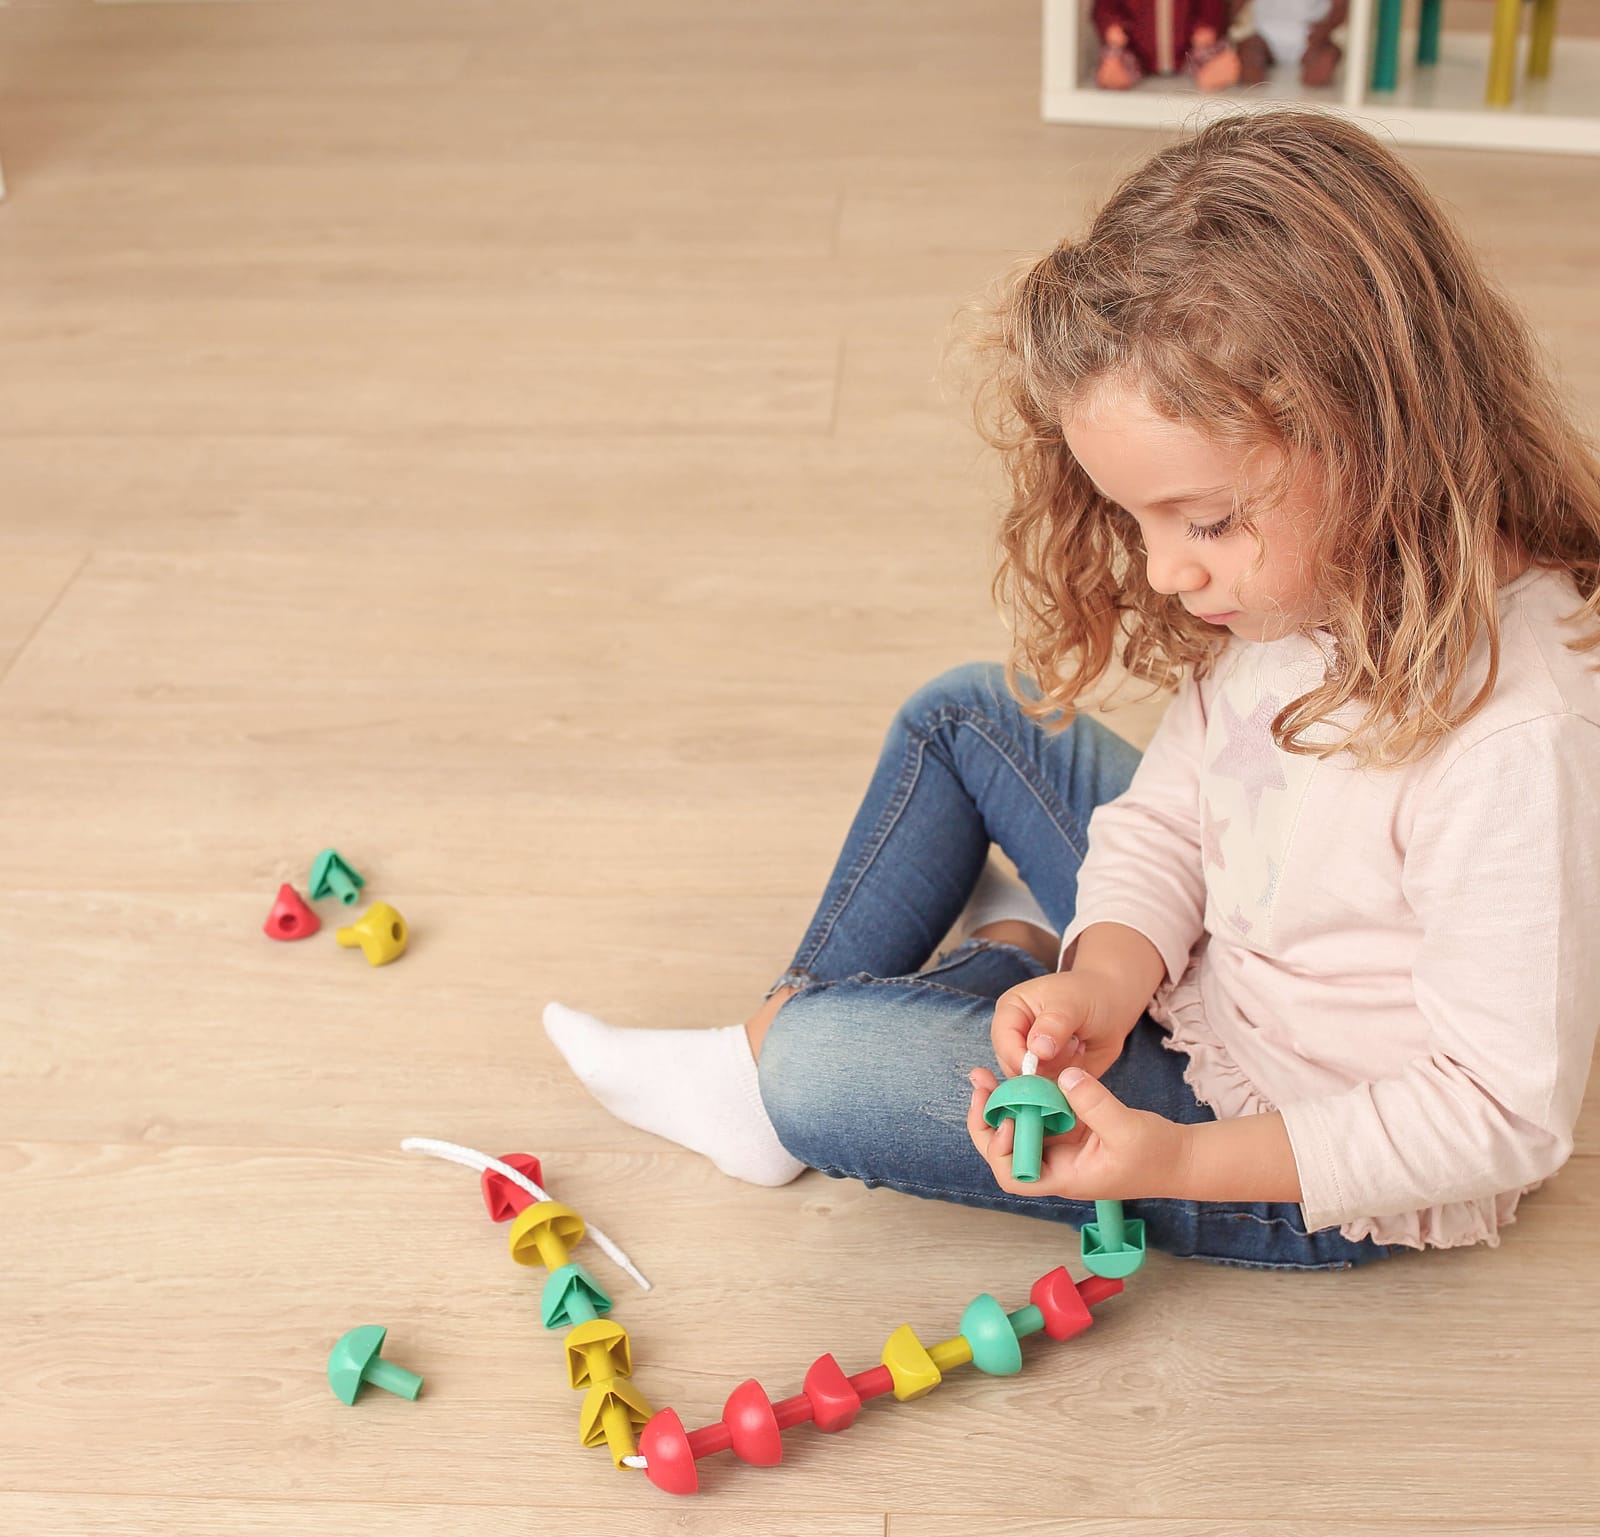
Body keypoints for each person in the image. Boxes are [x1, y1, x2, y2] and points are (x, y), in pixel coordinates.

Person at [543, 108, 1600, 1271]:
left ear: (1376, 438)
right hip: (1212, 966)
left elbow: (1500, 1114)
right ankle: (926, 990)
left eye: (1201, 520)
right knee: (962, 715)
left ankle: (805, 1050)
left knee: (816, 1071)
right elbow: (1176, 810)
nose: (1161, 570)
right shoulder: (1301, 579)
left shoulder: (1516, 736)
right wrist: (1101, 975)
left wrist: (1173, 1161)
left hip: (1283, 1145)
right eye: (1135, 519)